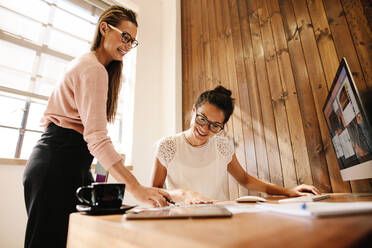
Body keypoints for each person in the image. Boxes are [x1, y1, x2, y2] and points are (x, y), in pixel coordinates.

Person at [23, 6, 170, 248]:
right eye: (125, 36)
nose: (128, 45)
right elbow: (97, 138)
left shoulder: (93, 67)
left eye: (132, 41)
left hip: (64, 161)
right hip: (57, 163)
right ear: (104, 28)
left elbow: (90, 138)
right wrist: (136, 188)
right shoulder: (93, 69)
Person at [151, 86, 320, 203]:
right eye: (202, 119)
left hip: (219, 215)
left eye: (215, 125)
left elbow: (245, 180)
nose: (205, 128)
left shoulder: (222, 147)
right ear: (194, 110)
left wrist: (289, 191)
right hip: (182, 220)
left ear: (222, 125)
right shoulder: (168, 146)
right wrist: (183, 194)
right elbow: (155, 192)